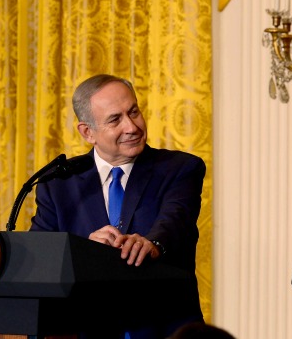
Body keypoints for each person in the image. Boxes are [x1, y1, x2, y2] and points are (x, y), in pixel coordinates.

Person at [30, 74, 206, 338]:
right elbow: (42, 259)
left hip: (165, 329)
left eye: (134, 112)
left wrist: (153, 244)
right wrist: (83, 253)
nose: (132, 126)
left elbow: (175, 220)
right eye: (115, 119)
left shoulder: (179, 169)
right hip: (87, 330)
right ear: (87, 132)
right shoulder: (58, 184)